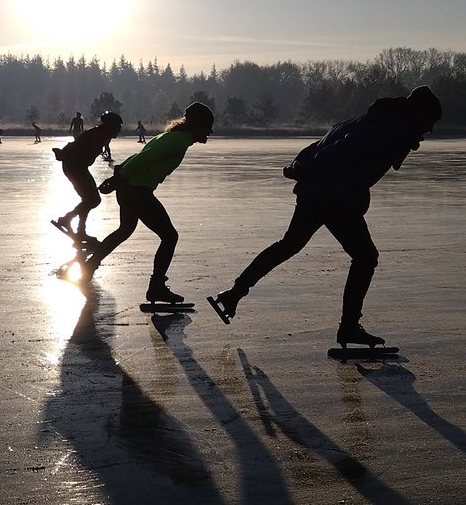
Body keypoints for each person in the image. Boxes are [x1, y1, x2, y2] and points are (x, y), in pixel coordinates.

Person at [210, 85, 443, 347]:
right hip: (336, 197)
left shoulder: (371, 119)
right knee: (366, 258)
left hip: (315, 193)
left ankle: (233, 294)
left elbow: (326, 140)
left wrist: (301, 166)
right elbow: (345, 147)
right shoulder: (394, 127)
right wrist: (307, 169)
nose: (430, 129)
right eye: (430, 121)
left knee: (288, 245)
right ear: (418, 113)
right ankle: (349, 329)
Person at [83, 102, 216, 304]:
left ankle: (88, 267)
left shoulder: (174, 137)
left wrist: (118, 177)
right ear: (197, 126)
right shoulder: (178, 140)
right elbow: (142, 159)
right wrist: (117, 179)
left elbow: (137, 157)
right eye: (207, 128)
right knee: (170, 237)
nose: (209, 133)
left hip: (131, 188)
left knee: (125, 230)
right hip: (137, 190)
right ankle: (156, 287)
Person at [51, 111, 124, 238]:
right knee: (93, 199)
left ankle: (79, 229)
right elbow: (76, 148)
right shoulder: (96, 135)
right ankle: (67, 220)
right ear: (110, 126)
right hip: (74, 167)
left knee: (89, 200)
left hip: (78, 167)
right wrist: (63, 154)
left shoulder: (102, 135)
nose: (119, 130)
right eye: (118, 126)